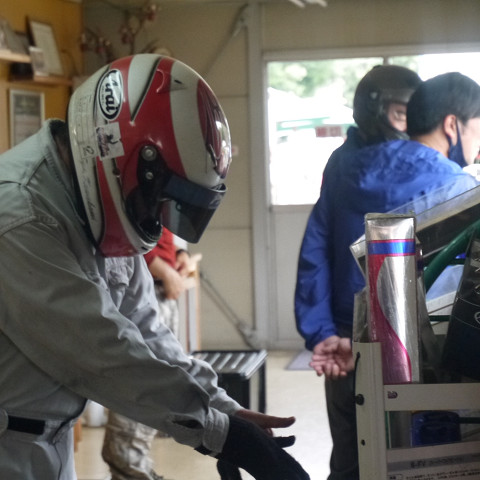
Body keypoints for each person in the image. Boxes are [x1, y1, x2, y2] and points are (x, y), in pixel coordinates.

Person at [0, 53, 310, 480]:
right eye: (158, 196)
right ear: (120, 155)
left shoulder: (94, 203)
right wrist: (221, 434)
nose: (158, 215)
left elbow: (146, 331)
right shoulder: (20, 214)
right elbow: (102, 352)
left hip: (42, 441)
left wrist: (224, 409)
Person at [294, 70, 480, 480]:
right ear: (452, 125)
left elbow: (315, 249)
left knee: (349, 460)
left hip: (343, 343)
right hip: (418, 357)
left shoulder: (342, 166)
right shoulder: (457, 187)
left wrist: (320, 332)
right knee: (416, 464)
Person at [102, 229, 192, 480]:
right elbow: (125, 229)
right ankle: (129, 465)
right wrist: (163, 269)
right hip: (143, 288)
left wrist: (178, 253)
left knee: (160, 387)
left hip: (158, 288)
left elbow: (158, 230)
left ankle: (133, 464)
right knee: (142, 383)